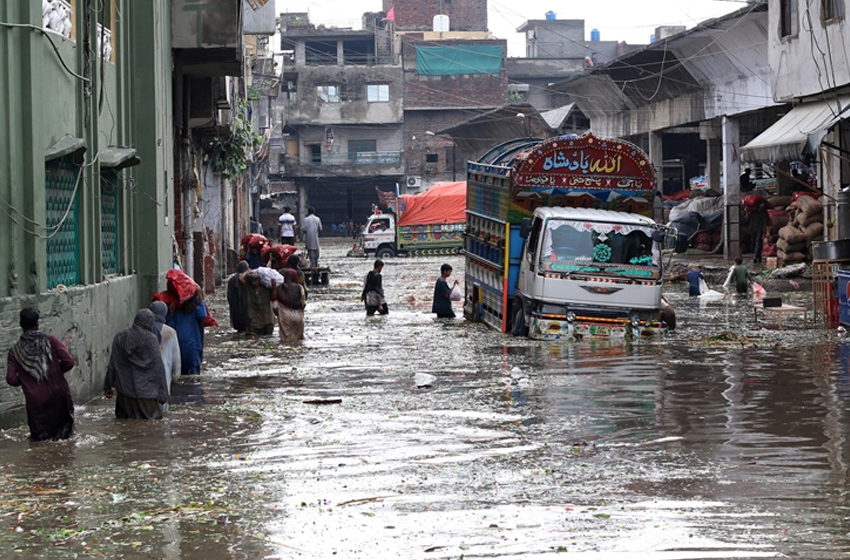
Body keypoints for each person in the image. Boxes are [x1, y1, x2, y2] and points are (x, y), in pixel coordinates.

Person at [6, 307, 76, 441]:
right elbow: (69, 361)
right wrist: (55, 370)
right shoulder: (50, 340)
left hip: (37, 403)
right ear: (37, 324)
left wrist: (27, 378)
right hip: (60, 397)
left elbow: (11, 379)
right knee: (67, 440)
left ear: (21, 325)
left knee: (41, 444)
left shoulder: (14, 351)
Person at [103, 309, 169, 420]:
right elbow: (158, 368)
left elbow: (112, 364)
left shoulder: (119, 337)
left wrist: (107, 386)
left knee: (125, 428)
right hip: (146, 397)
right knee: (151, 430)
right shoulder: (150, 340)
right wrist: (163, 394)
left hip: (124, 396)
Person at [150, 301, 181, 411]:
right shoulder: (170, 332)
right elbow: (175, 358)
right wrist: (175, 376)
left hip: (145, 376)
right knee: (162, 406)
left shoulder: (143, 329)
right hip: (165, 373)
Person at [167, 292, 207, 375]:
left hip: (193, 348)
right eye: (190, 306)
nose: (190, 308)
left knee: (194, 373)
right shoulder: (176, 313)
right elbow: (170, 327)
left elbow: (203, 314)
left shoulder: (196, 312)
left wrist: (201, 301)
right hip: (179, 348)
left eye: (193, 306)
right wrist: (170, 314)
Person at [275, 269, 306, 342]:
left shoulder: (279, 287)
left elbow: (275, 301)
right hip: (298, 315)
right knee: (298, 340)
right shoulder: (300, 287)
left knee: (286, 340)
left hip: (285, 314)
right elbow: (303, 303)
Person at [242, 270, 276, 335]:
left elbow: (273, 298)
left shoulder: (266, 287)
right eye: (253, 281)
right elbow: (241, 279)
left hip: (267, 319)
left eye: (256, 280)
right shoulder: (249, 288)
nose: (254, 283)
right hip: (254, 320)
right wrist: (248, 271)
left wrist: (274, 287)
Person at [227, 260, 250, 332]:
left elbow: (229, 297)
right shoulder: (248, 278)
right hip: (246, 309)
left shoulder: (231, 280)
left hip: (236, 309)